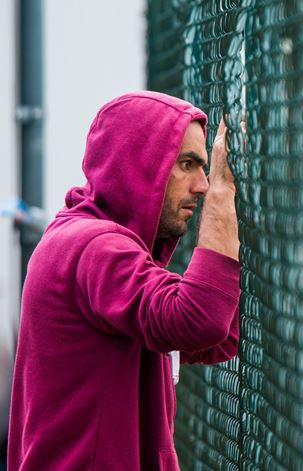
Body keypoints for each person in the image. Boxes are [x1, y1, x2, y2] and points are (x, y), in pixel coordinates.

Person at [7, 91, 242, 470]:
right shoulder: (94, 246)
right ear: (139, 164)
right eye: (187, 164)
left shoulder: (82, 239)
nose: (202, 184)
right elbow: (200, 320)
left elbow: (218, 336)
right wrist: (222, 196)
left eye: (206, 171)